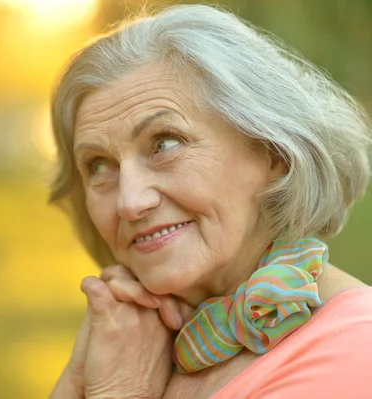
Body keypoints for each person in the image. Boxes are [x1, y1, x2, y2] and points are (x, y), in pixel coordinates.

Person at [47, 4, 372, 399]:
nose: (130, 202)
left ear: (272, 151)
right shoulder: (130, 340)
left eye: (164, 144)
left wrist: (119, 392)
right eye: (99, 166)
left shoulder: (353, 350)